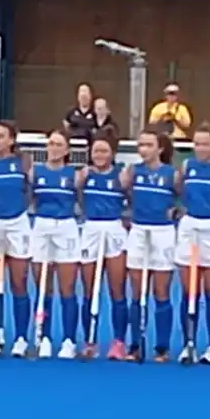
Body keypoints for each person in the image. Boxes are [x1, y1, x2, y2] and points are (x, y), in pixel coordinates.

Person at [175, 125, 210, 365]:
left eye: (205, 144)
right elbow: (179, 191)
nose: (200, 149)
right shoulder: (187, 167)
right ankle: (188, 344)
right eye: (197, 144)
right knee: (189, 291)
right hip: (190, 227)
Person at [0, 120, 32, 357]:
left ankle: (21, 337)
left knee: (19, 282)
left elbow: (33, 188)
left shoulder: (22, 162)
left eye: (1, 136)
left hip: (17, 223)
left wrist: (24, 206)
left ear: (11, 140)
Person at [124, 126, 176, 362]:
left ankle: (162, 348)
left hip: (163, 233)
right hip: (138, 230)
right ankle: (135, 344)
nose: (143, 150)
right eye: (141, 145)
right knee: (137, 290)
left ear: (160, 148)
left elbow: (183, 199)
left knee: (161, 291)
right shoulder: (132, 172)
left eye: (148, 145)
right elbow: (124, 197)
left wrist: (175, 211)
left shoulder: (172, 174)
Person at [26, 128, 79, 359]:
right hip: (41, 226)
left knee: (67, 288)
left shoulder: (75, 175)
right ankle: (44, 337)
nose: (54, 148)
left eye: (59, 144)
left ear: (67, 149)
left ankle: (68, 340)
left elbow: (83, 201)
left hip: (66, 226)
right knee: (43, 287)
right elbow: (29, 199)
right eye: (51, 143)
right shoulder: (34, 173)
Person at [75, 132, 128, 360]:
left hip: (114, 228)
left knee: (117, 290)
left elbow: (132, 198)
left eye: (104, 151)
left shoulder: (122, 175)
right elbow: (77, 197)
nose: (99, 155)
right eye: (96, 151)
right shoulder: (84, 175)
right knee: (89, 290)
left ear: (112, 153)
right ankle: (90, 340)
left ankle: (118, 342)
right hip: (91, 229)